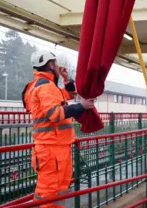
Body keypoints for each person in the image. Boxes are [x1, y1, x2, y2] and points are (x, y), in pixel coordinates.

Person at [22, 50, 95, 208]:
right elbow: (55, 114)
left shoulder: (48, 85)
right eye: (55, 62)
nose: (57, 65)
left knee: (58, 190)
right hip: (51, 149)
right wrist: (82, 106)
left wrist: (66, 78)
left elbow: (69, 95)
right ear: (50, 65)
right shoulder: (45, 86)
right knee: (47, 192)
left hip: (56, 147)